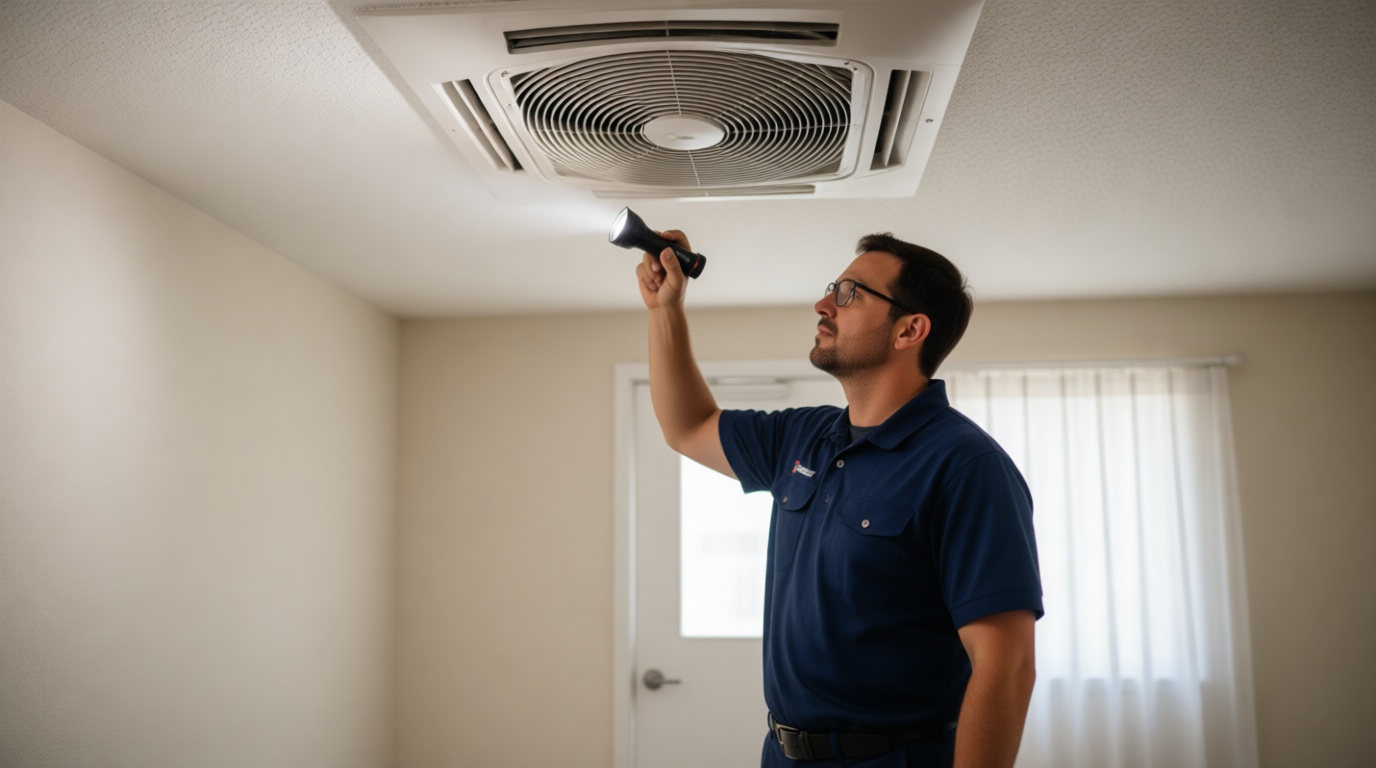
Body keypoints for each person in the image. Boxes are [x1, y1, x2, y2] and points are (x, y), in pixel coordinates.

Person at [636, 229, 1043, 768]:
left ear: (909, 330)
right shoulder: (805, 437)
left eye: (850, 294)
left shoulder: (966, 466)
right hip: (783, 753)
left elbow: (1006, 667)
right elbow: (688, 426)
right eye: (834, 288)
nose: (823, 304)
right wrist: (667, 309)